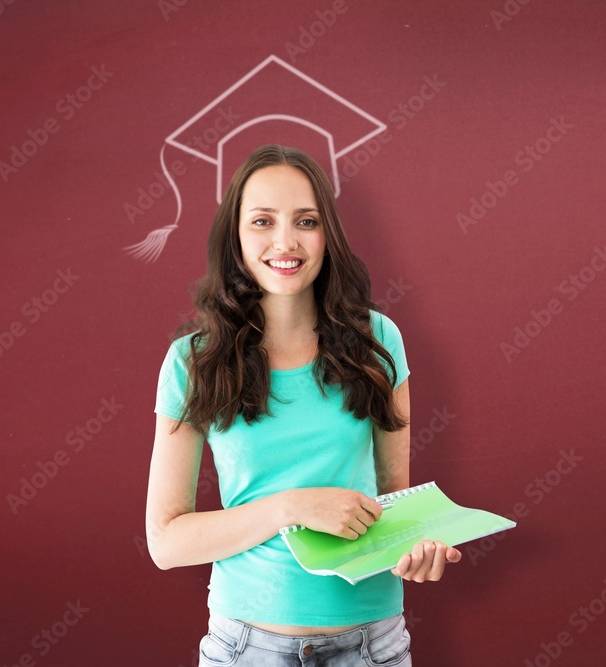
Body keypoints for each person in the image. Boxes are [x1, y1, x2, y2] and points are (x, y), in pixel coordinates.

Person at [144, 144, 461, 666]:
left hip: (371, 647)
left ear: (327, 235)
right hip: (245, 649)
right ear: (236, 237)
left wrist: (419, 550)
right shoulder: (193, 362)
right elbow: (166, 542)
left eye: (306, 221)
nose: (285, 242)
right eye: (263, 221)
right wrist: (290, 507)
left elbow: (395, 507)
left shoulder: (378, 342)